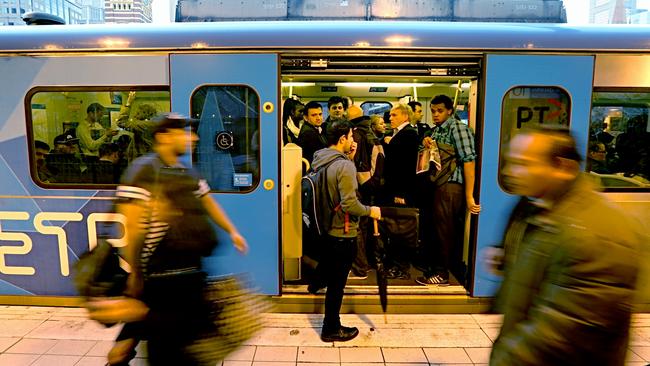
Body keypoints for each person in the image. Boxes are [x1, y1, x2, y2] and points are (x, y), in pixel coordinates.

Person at [87, 113, 248, 365]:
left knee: (137, 342)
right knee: (132, 346)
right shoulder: (143, 171)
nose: (193, 138)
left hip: (183, 274)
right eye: (184, 132)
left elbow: (207, 202)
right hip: (154, 275)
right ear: (163, 137)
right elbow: (132, 227)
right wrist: (136, 274)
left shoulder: (186, 171)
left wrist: (232, 231)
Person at [489, 126, 641, 366]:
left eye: (523, 164)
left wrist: (502, 360)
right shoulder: (539, 207)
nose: (510, 172)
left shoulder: (596, 235)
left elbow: (558, 337)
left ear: (562, 167)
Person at [310, 120, 381, 342]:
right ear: (342, 139)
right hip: (344, 231)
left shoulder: (321, 159)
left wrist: (349, 156)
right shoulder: (345, 166)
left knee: (330, 263)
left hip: (326, 226)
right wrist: (371, 211)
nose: (353, 141)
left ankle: (316, 282)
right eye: (351, 137)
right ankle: (331, 328)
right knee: (337, 284)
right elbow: (350, 204)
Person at [416, 95, 480, 286]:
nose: (435, 115)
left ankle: (442, 273)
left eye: (440, 111)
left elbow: (469, 160)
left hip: (452, 185)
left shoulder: (458, 129)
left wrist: (470, 195)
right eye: (433, 111)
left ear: (450, 111)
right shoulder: (436, 131)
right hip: (438, 184)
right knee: (437, 229)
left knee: (445, 230)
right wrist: (426, 143)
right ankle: (437, 267)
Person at [117, 91, 158, 162]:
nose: (135, 115)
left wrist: (128, 103)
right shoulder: (152, 124)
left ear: (145, 113)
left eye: (138, 113)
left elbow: (121, 122)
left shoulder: (144, 125)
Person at [297, 101, 327, 165]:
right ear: (306, 118)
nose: (318, 118)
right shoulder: (308, 133)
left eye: (320, 114)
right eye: (314, 115)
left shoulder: (313, 129)